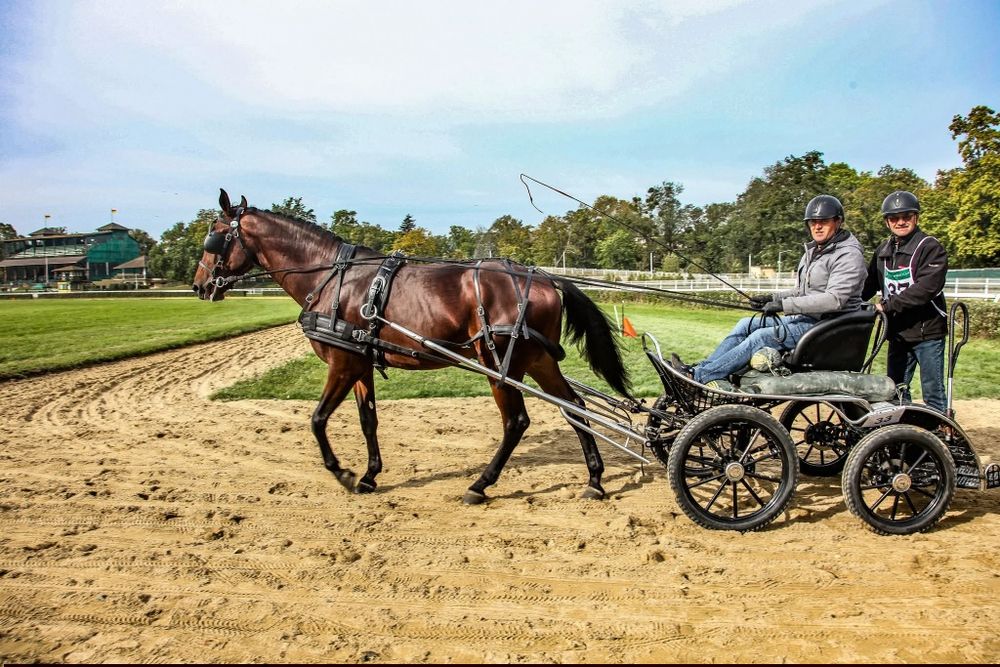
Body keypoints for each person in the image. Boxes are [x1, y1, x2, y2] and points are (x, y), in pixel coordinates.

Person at [673, 195, 867, 384]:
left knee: (762, 337)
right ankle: (700, 369)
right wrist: (770, 298)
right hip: (811, 319)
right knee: (744, 324)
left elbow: (834, 300)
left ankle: (700, 377)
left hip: (831, 326)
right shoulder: (816, 251)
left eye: (823, 221)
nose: (817, 226)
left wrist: (784, 305)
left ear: (838, 221)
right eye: (812, 221)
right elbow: (802, 291)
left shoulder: (848, 254)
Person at [861, 190, 948, 413]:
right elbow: (869, 283)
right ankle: (905, 438)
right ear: (887, 221)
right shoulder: (883, 250)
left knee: (932, 390)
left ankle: (940, 438)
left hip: (926, 332)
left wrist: (886, 306)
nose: (901, 222)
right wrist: (847, 302)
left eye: (906, 217)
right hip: (898, 333)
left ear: (915, 218)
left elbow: (925, 289)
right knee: (895, 390)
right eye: (894, 218)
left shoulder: (929, 247)